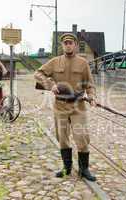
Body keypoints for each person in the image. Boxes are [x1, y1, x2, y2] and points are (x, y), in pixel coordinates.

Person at [34, 33, 97, 181]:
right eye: (65, 43)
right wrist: (51, 84)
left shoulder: (83, 63)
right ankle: (66, 168)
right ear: (62, 45)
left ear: (75, 45)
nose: (68, 45)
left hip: (78, 106)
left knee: (81, 137)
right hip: (60, 106)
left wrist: (92, 97)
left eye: (71, 42)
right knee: (62, 138)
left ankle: (84, 170)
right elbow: (38, 74)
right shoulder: (55, 62)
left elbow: (90, 84)